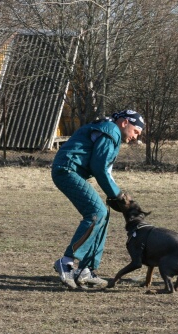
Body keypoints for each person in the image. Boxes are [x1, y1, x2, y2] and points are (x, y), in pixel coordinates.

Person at [52, 109, 145, 289]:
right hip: (67, 170)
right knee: (96, 213)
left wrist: (115, 193)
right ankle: (66, 262)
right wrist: (117, 195)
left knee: (103, 214)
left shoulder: (109, 130)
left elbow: (105, 170)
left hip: (71, 171)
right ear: (125, 122)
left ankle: (86, 270)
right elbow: (99, 166)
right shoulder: (112, 131)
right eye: (136, 131)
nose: (135, 137)